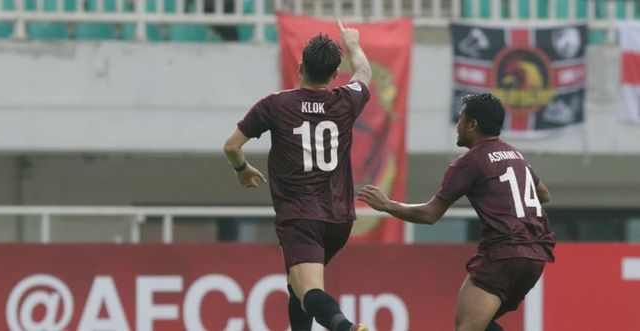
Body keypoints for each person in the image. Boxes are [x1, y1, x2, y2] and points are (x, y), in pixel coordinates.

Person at [357, 93, 556, 331]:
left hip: (502, 255)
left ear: (472, 125)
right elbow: (544, 194)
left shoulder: (469, 162)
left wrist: (388, 205)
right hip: (535, 258)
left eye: (461, 119)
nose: (458, 125)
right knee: (481, 324)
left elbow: (430, 214)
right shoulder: (516, 156)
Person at [223, 19, 371, 331]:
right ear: (333, 75)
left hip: (301, 217)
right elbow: (364, 73)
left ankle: (346, 328)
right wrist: (353, 43)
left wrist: (241, 170)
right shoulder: (346, 100)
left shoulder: (276, 105)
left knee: (309, 292)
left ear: (300, 66)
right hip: (340, 219)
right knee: (296, 285)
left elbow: (231, 146)